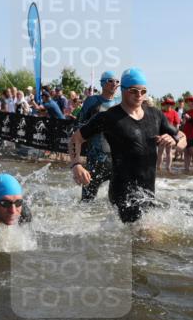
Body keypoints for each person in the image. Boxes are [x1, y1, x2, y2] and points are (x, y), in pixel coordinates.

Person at [69, 67, 184, 223]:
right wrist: (76, 164)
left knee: (146, 239)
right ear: (123, 90)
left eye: (143, 91)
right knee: (146, 237)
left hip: (148, 192)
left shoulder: (156, 115)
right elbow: (75, 139)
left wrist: (176, 141)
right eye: (134, 91)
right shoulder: (109, 117)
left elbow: (183, 138)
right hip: (122, 192)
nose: (139, 95)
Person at [76, 71, 122, 201]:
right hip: (95, 159)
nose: (114, 84)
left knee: (116, 202)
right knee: (86, 202)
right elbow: (78, 127)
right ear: (102, 83)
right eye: (110, 81)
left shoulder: (121, 102)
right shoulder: (92, 101)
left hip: (116, 160)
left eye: (117, 81)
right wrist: (77, 163)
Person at [158, 97, 180, 172]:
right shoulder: (161, 112)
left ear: (172, 105)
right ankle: (158, 167)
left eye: (170, 104)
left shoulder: (174, 113)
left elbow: (177, 124)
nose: (168, 105)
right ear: (165, 104)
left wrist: (176, 134)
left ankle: (168, 168)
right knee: (160, 151)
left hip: (170, 135)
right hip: (161, 134)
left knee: (168, 151)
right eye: (167, 104)